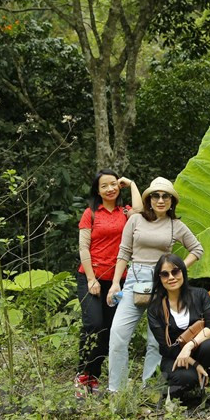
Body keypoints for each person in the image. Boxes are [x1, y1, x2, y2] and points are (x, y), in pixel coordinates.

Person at [106, 177, 204, 393]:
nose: (160, 200)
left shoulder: (175, 225)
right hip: (134, 280)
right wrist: (115, 283)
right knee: (118, 334)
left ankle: (149, 389)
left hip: (162, 284)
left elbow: (197, 249)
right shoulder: (135, 220)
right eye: (156, 196)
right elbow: (124, 252)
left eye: (165, 196)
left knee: (156, 340)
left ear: (172, 201)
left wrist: (176, 271)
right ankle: (116, 390)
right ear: (149, 199)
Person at [75, 170, 143, 397]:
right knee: (93, 325)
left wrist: (132, 183)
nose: (110, 189)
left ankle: (93, 376)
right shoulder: (91, 213)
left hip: (118, 281)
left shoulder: (125, 212)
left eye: (113, 184)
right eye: (104, 186)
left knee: (109, 330)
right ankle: (83, 374)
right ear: (97, 190)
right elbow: (84, 247)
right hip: (91, 278)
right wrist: (91, 279)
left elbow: (140, 212)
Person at [148, 254, 210, 401]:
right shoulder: (155, 308)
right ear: (159, 278)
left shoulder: (200, 294)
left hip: (200, 348)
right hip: (174, 355)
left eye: (175, 272)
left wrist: (189, 346)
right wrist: (195, 364)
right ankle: (175, 395)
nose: (171, 277)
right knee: (185, 378)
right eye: (165, 274)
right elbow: (166, 347)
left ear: (183, 272)